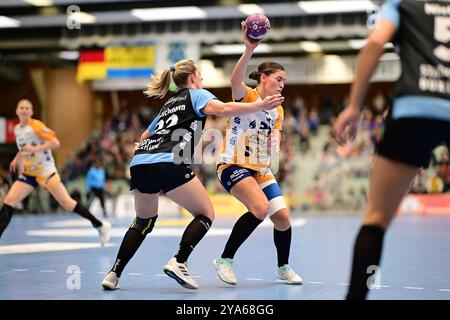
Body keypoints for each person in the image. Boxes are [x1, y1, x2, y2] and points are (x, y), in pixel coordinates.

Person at [101, 59, 284, 290]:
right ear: (194, 77)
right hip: (169, 160)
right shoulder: (198, 95)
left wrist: (141, 149)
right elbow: (225, 109)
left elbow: (145, 135)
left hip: (140, 162)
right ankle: (179, 260)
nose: (203, 79)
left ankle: (113, 273)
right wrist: (260, 106)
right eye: (201, 75)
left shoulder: (168, 105)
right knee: (205, 213)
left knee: (142, 222)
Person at [334, 0, 450, 300]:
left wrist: (355, 105)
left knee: (375, 218)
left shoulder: (403, 3)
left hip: (415, 107)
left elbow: (375, 43)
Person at [212, 23, 303, 286]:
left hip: (261, 168)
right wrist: (249, 48)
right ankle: (225, 260)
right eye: (278, 79)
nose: (282, 85)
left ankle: (283, 267)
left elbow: (274, 134)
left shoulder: (279, 110)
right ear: (263, 78)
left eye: (284, 80)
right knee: (260, 208)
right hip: (232, 165)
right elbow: (233, 81)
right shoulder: (247, 96)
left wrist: (275, 142)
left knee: (283, 219)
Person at [0, 99, 111, 246]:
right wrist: (16, 158)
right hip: (29, 173)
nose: (25, 110)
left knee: (67, 203)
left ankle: (100, 225)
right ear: (17, 111)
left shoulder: (36, 126)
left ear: (31, 112)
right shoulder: (17, 129)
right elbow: (24, 147)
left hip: (46, 171)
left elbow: (55, 143)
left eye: (28, 108)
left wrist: (35, 150)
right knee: (9, 201)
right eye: (22, 107)